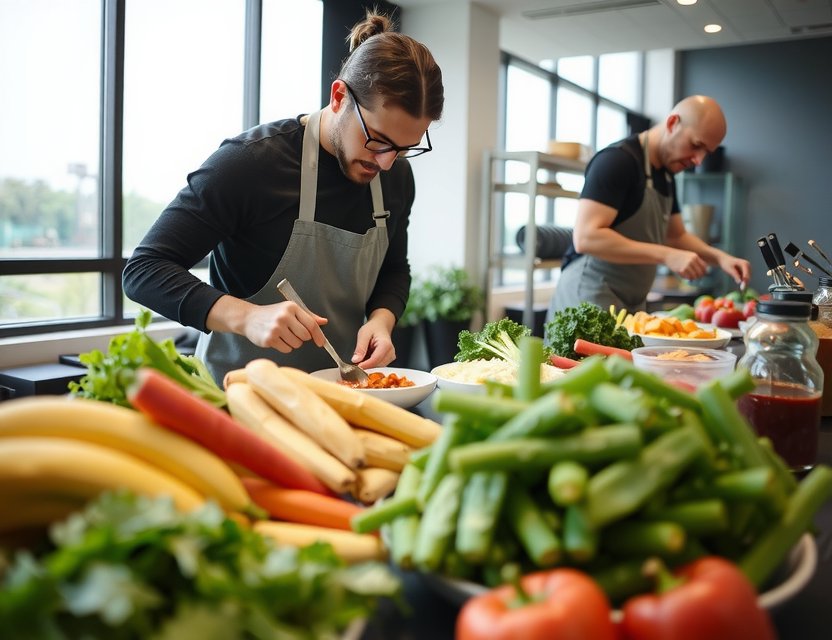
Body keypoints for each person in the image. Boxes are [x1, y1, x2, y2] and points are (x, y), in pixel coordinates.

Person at [123, 11, 444, 384]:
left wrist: (381, 320)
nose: (386, 163)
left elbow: (393, 268)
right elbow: (144, 269)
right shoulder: (249, 163)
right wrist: (246, 316)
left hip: (342, 397)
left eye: (404, 148)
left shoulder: (396, 178)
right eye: (377, 139)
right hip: (239, 399)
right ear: (339, 97)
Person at [547, 95, 751, 319]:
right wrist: (666, 256)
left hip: (629, 304)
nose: (698, 160)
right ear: (673, 123)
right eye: (696, 145)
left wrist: (721, 258)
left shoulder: (666, 174)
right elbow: (586, 237)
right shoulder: (617, 161)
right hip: (588, 297)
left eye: (706, 152)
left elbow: (676, 236)